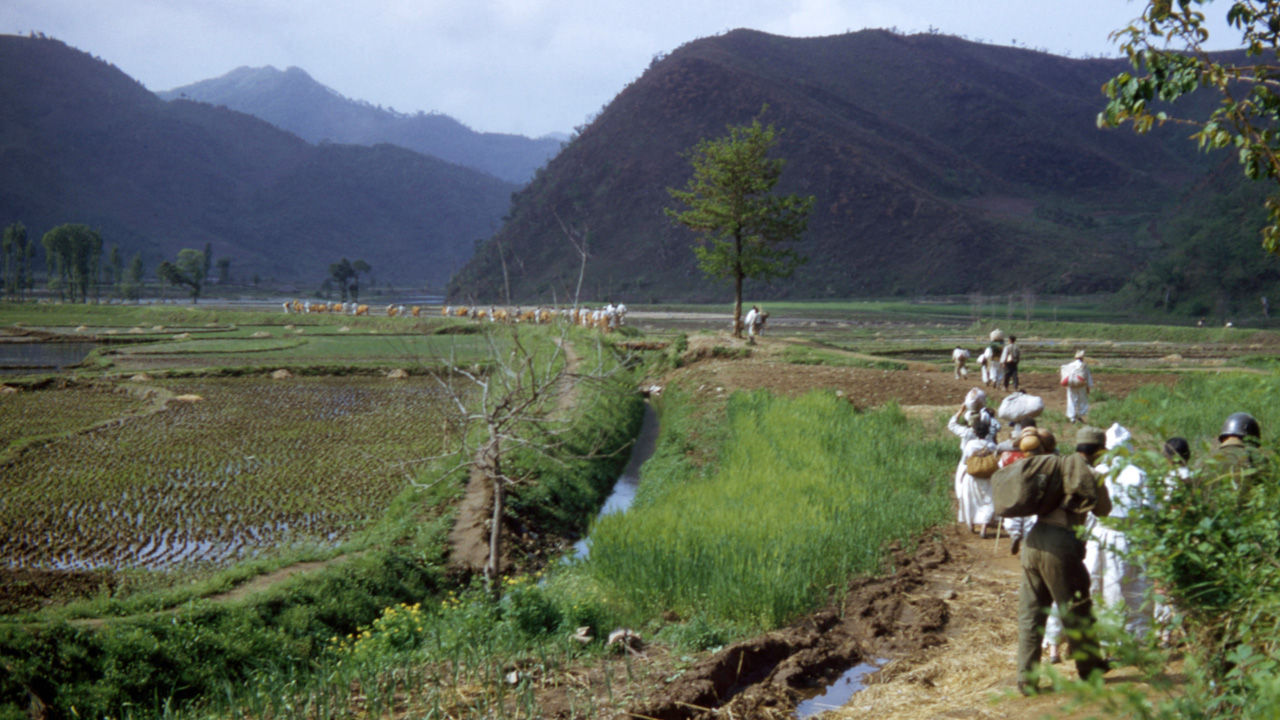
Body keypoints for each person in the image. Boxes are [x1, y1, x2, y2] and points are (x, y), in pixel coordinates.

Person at [1016, 426, 1113, 695]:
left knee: (1031, 614)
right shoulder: (1090, 473)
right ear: (1098, 451)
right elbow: (1105, 510)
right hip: (1060, 544)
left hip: (1033, 540)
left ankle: (1026, 680)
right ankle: (1090, 669)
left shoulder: (1055, 466)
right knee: (1077, 609)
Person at [1085, 423, 1153, 640]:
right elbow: (1150, 511)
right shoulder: (1139, 474)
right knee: (1134, 588)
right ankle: (1137, 637)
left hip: (1100, 535)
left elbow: (1087, 511)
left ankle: (1106, 638)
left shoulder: (1098, 472)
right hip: (1129, 536)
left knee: (1103, 587)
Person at [1060, 350, 1093, 424]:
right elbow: (1088, 377)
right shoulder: (1084, 366)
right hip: (1081, 386)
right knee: (1081, 400)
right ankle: (1079, 415)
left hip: (1071, 385)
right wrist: (1088, 387)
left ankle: (1072, 418)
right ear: (1082, 358)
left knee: (1071, 400)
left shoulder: (1070, 365)